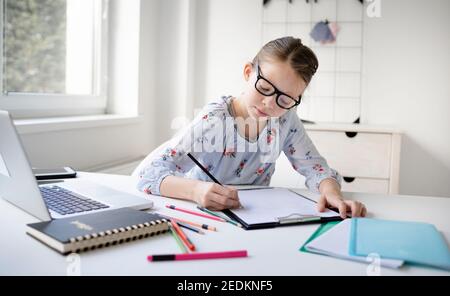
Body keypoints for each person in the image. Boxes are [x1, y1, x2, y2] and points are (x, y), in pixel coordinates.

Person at [137, 36, 367, 218]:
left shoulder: (286, 120)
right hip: (204, 216)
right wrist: (196, 191)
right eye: (265, 87)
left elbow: (317, 169)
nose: (269, 104)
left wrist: (332, 194)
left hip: (254, 218)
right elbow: (148, 175)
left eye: (286, 100)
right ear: (248, 72)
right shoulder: (214, 120)